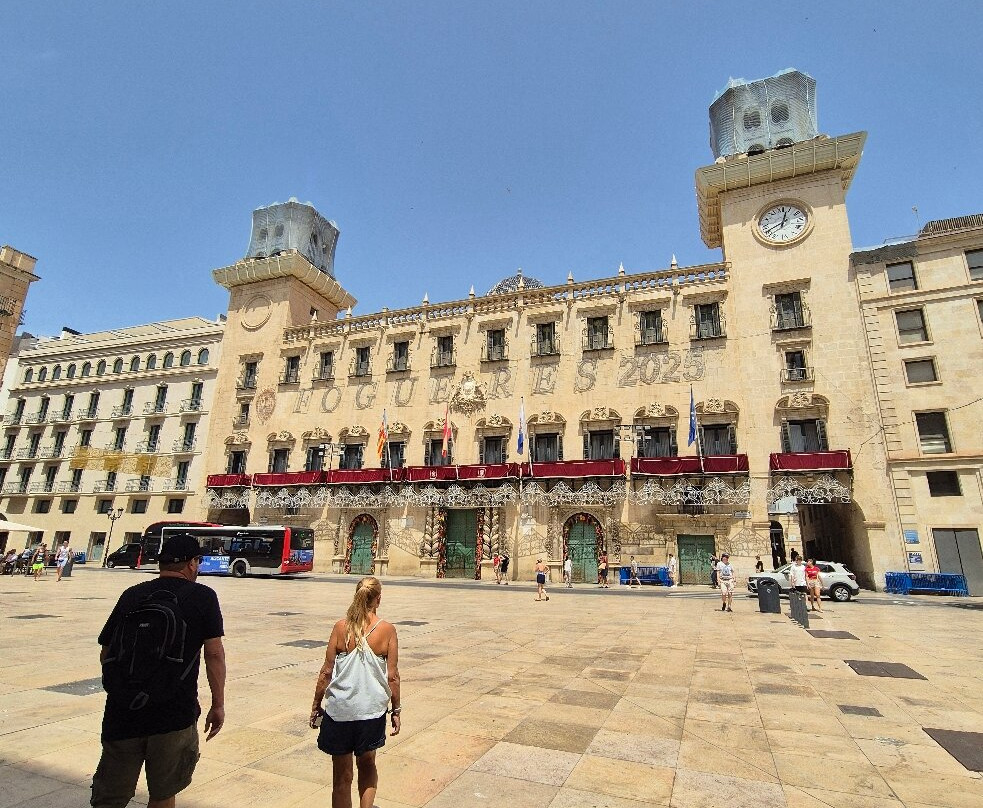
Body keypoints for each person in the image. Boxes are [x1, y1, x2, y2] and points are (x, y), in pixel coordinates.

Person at [91, 534, 226, 808]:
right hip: (173, 712)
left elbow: (107, 652)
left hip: (123, 711)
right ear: (191, 564)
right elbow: (213, 653)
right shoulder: (203, 597)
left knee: (110, 797)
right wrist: (218, 704)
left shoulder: (132, 594)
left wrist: (126, 685)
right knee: (163, 793)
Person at [310, 576, 400, 808]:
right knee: (368, 764)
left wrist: (316, 705)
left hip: (340, 712)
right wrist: (396, 710)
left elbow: (326, 672)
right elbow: (393, 677)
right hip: (371, 711)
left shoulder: (341, 628)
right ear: (378, 600)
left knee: (341, 775)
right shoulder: (387, 630)